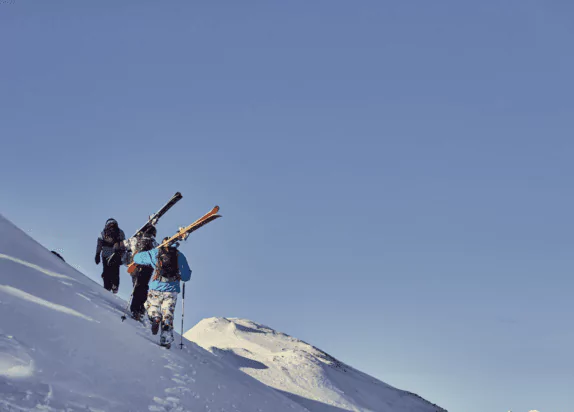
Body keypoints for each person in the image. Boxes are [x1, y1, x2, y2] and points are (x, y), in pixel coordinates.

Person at [132, 238, 191, 348]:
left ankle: (155, 317)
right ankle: (166, 340)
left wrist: (137, 251)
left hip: (156, 288)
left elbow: (137, 258)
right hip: (171, 291)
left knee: (151, 306)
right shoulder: (179, 256)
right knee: (168, 315)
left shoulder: (155, 253)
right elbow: (186, 276)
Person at [126, 226, 158, 321]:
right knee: (142, 287)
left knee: (138, 287)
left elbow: (131, 249)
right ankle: (139, 309)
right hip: (146, 268)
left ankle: (138, 309)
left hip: (136, 268)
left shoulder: (138, 240)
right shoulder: (152, 242)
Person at [95, 218, 126, 294]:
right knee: (115, 271)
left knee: (106, 270)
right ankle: (115, 286)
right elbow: (124, 245)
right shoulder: (120, 232)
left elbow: (99, 244)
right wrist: (123, 256)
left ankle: (107, 287)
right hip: (116, 254)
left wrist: (97, 254)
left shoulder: (103, 232)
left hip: (106, 254)